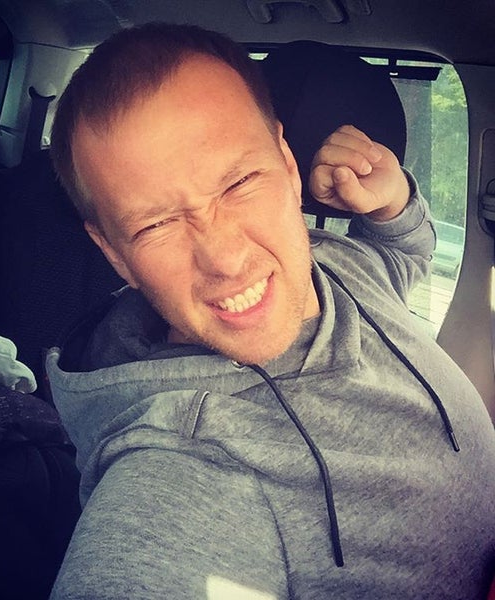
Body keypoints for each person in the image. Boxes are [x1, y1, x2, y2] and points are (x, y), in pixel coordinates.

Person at [46, 22, 495, 600]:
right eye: (156, 224)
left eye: (239, 182)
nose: (227, 260)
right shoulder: (174, 466)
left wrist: (394, 206)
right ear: (114, 254)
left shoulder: (331, 259)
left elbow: (400, 259)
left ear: (286, 162)